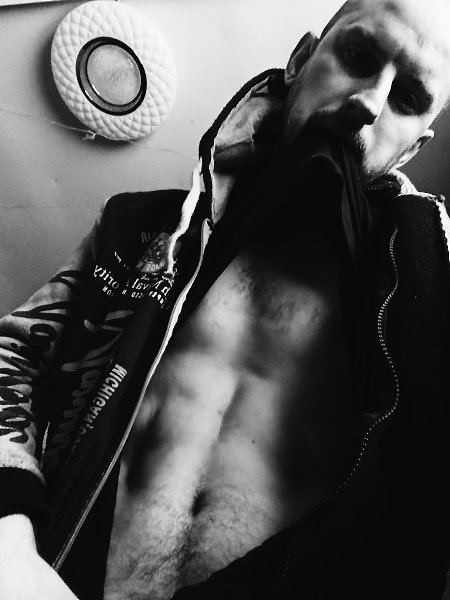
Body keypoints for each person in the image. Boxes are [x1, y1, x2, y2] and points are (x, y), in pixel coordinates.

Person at [1, 0, 450, 598]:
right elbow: (10, 356)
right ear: (301, 59)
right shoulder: (136, 230)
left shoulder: (426, 305)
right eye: (358, 57)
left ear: (415, 147)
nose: (369, 102)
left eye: (408, 98)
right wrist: (12, 545)